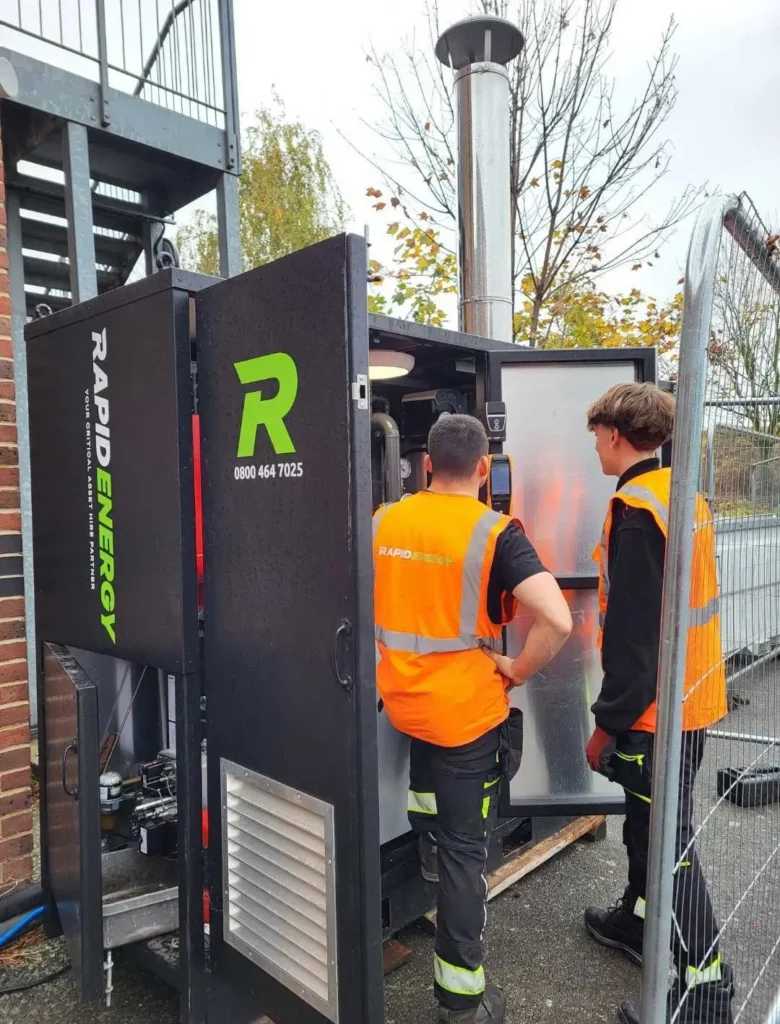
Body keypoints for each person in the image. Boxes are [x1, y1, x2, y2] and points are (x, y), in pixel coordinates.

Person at [374, 414, 572, 1024]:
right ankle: (462, 1001)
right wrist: (515, 669)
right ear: (484, 469)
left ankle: (431, 854)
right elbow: (559, 620)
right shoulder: (495, 533)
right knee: (469, 854)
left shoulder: (385, 519)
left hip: (401, 702)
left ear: (425, 463)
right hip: (464, 712)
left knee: (430, 789)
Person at [582, 383, 733, 1024]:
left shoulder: (636, 510)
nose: (594, 445)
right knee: (649, 823)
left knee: (669, 842)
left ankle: (707, 987)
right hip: (693, 700)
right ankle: (637, 923)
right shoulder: (684, 495)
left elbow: (636, 638)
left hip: (653, 717)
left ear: (616, 435)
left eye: (596, 435)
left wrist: (605, 725)